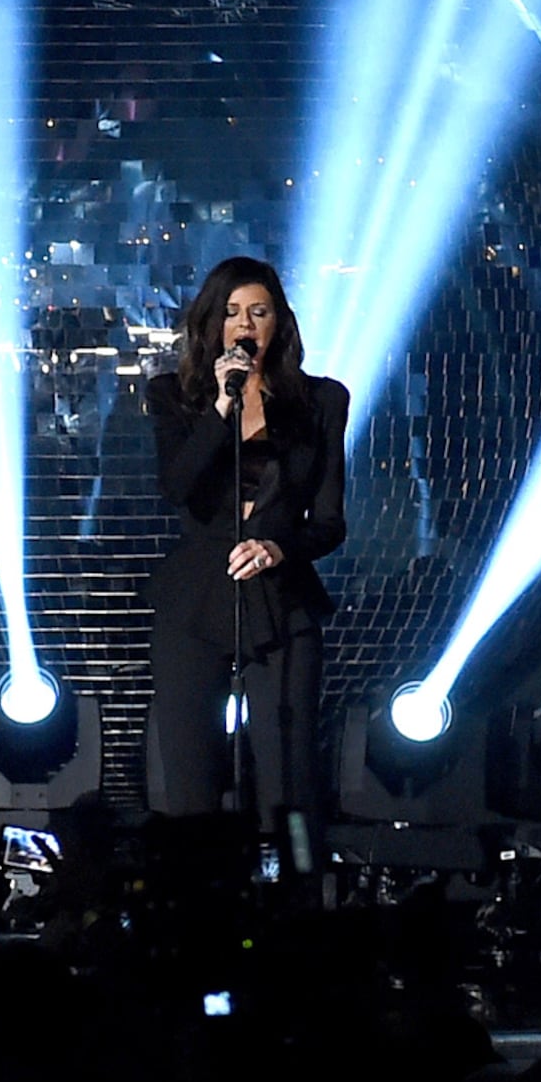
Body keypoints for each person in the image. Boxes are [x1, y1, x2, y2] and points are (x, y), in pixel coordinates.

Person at [142, 256, 351, 830]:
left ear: (278, 322)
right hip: (196, 596)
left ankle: (292, 901)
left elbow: (329, 521)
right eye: (232, 312)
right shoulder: (172, 397)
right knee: (191, 774)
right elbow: (177, 487)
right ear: (212, 324)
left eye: (259, 311)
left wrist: (279, 548)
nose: (246, 323)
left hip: (281, 596)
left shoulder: (323, 401)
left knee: (289, 774)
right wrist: (220, 406)